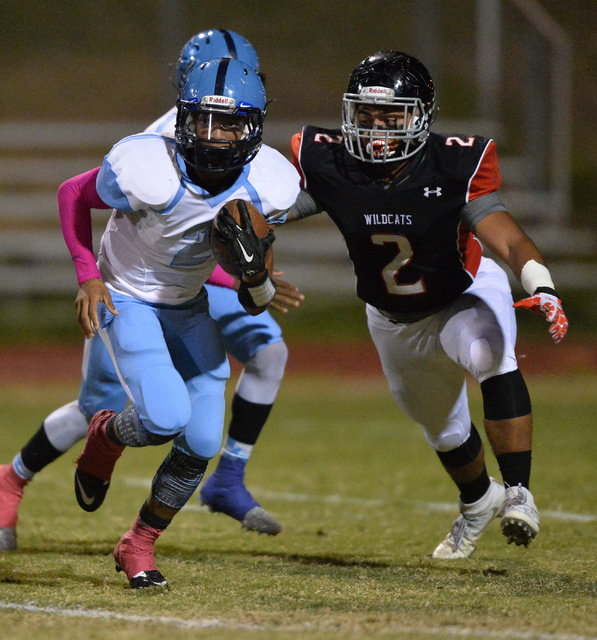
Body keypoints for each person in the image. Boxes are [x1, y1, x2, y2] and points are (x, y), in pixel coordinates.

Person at [4, 58, 300, 590]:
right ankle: (105, 436)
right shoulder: (149, 164)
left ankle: (137, 545)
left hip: (188, 306)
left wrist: (256, 279)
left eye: (230, 122)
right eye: (204, 120)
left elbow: (252, 290)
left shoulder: (268, 185)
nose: (215, 135)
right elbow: (72, 193)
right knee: (164, 417)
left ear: (254, 127)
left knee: (205, 439)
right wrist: (88, 276)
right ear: (183, 118)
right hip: (127, 299)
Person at [280, 51, 568, 559]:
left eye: (391, 118)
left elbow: (508, 237)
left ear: (421, 116)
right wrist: (243, 231)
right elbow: (267, 207)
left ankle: (519, 491)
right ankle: (478, 501)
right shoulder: (330, 163)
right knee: (442, 426)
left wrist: (539, 283)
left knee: (488, 354)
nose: (376, 131)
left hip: (464, 292)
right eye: (366, 119)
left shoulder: (453, 164)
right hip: (391, 315)